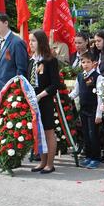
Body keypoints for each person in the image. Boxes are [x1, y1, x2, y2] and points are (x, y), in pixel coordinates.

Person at [27, 30, 61, 174]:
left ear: (41, 42)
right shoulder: (31, 61)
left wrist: (40, 96)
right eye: (29, 41)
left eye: (33, 41)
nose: (31, 44)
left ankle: (50, 163)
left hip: (45, 100)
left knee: (48, 132)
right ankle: (42, 161)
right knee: (38, 132)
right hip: (33, 102)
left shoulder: (50, 60)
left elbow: (55, 84)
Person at [69, 52, 104, 169]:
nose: (86, 64)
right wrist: (66, 97)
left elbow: (100, 96)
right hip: (83, 109)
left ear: (94, 63)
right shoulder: (80, 76)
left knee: (93, 134)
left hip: (93, 109)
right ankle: (88, 156)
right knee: (86, 134)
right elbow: (76, 92)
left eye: (88, 62)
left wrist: (99, 114)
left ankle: (96, 157)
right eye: (83, 62)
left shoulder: (98, 77)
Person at [0, 12, 28, 105]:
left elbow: (21, 69)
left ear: (6, 23)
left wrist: (16, 90)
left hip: (11, 92)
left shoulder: (17, 42)